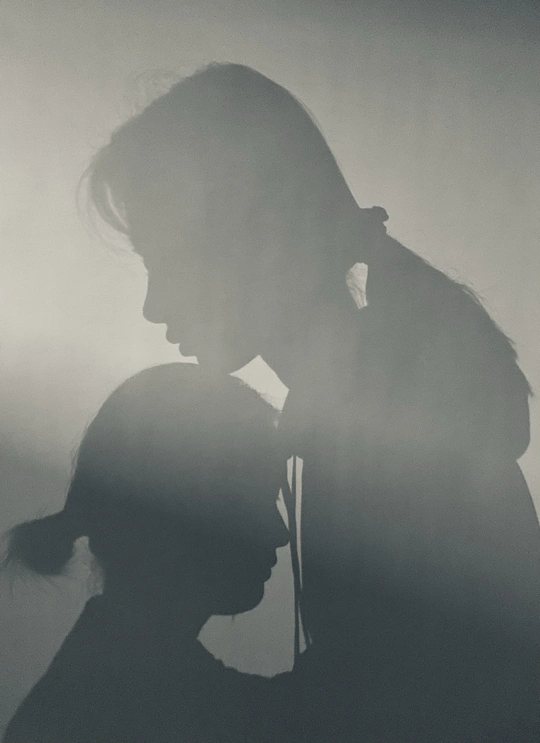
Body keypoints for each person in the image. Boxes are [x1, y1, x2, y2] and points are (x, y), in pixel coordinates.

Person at [84, 63, 540, 740]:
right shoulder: (366, 398)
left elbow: (399, 705)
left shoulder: (378, 424)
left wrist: (126, 676)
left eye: (164, 260)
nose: (153, 305)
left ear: (242, 237)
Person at [3, 363, 290, 743]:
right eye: (258, 502)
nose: (281, 533)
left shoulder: (92, 691)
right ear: (179, 518)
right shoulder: (175, 710)